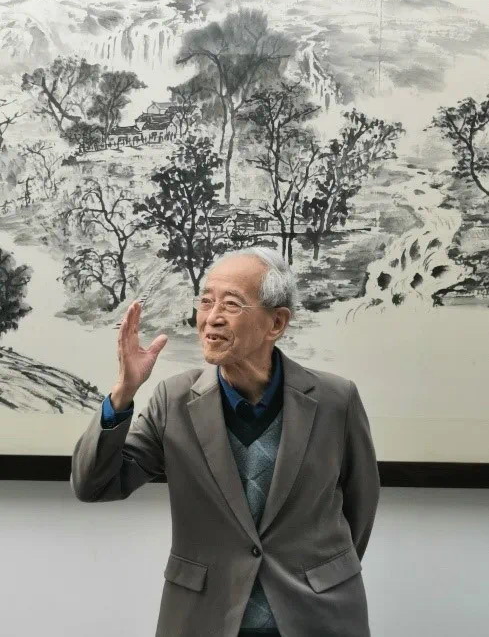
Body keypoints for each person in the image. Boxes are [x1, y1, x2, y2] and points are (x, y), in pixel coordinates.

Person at [70, 247, 380, 637]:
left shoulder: (336, 400)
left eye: (231, 304)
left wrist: (321, 575)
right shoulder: (173, 401)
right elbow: (94, 485)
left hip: (318, 617)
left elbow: (360, 506)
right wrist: (123, 392)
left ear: (276, 323)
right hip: (204, 618)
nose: (211, 318)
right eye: (205, 301)